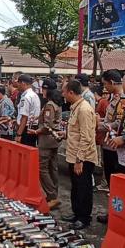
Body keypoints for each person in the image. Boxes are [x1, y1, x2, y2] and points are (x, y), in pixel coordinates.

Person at [61, 79, 98, 230]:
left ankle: (84, 217)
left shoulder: (83, 109)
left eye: (64, 91)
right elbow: (76, 132)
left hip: (82, 157)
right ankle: (76, 213)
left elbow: (87, 137)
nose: (62, 94)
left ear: (71, 92)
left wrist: (79, 159)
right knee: (76, 187)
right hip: (73, 155)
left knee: (83, 188)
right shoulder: (75, 108)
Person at [95, 69, 125, 224]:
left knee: (115, 182)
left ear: (113, 83)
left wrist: (101, 125)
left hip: (115, 146)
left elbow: (119, 124)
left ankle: (117, 214)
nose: (104, 87)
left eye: (105, 84)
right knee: (111, 183)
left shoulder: (123, 99)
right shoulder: (114, 98)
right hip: (108, 144)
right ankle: (113, 212)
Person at [27, 78, 64, 209]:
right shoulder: (57, 103)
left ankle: (52, 195)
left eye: (43, 88)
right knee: (53, 168)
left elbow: (47, 126)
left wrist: (36, 131)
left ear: (47, 89)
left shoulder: (49, 105)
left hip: (46, 140)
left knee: (42, 168)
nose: (41, 91)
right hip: (54, 140)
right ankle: (54, 195)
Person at [15, 74, 40, 146]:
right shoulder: (35, 95)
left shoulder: (26, 97)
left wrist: (19, 134)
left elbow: (24, 117)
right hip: (33, 127)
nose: (17, 85)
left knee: (24, 152)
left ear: (23, 83)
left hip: (25, 129)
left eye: (18, 83)